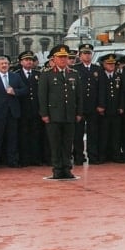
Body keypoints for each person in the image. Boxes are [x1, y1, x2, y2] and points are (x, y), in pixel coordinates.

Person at [38, 44, 83, 179]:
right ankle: (57, 169)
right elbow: (42, 96)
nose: (63, 59)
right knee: (55, 144)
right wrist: (44, 114)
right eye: (60, 57)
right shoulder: (47, 74)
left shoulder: (74, 74)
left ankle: (67, 168)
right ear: (54, 59)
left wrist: (79, 112)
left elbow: (79, 96)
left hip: (69, 114)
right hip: (54, 115)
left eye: (65, 57)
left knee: (68, 144)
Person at [0, 55, 27, 168]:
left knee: (12, 138)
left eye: (6, 63)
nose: (4, 65)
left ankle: (12, 161)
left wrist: (15, 92)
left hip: (12, 112)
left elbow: (24, 90)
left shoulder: (15, 77)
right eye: (2, 64)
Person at [16, 51, 44, 166]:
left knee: (35, 135)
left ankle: (35, 158)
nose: (29, 62)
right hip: (23, 110)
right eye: (26, 60)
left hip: (35, 109)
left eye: (31, 60)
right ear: (21, 62)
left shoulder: (38, 74)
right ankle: (24, 159)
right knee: (23, 135)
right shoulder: (16, 75)